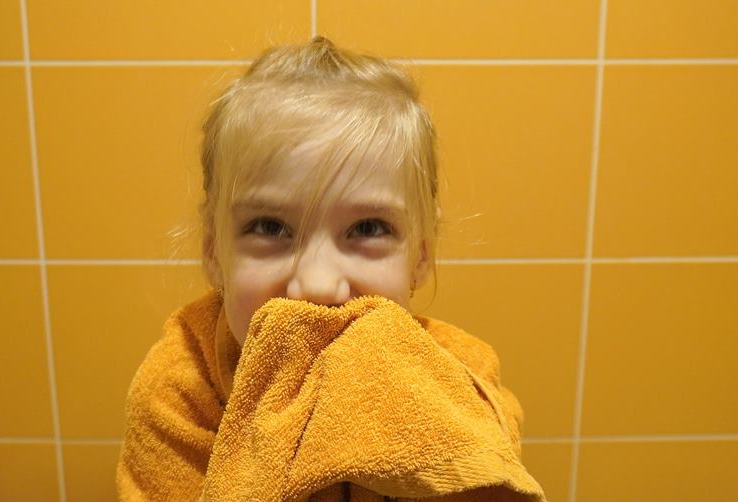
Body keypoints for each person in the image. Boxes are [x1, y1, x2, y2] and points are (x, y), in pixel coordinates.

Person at [117, 36, 545, 501]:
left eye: (367, 227)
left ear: (420, 258)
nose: (318, 286)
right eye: (270, 227)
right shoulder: (181, 390)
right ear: (214, 253)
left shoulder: (457, 382)